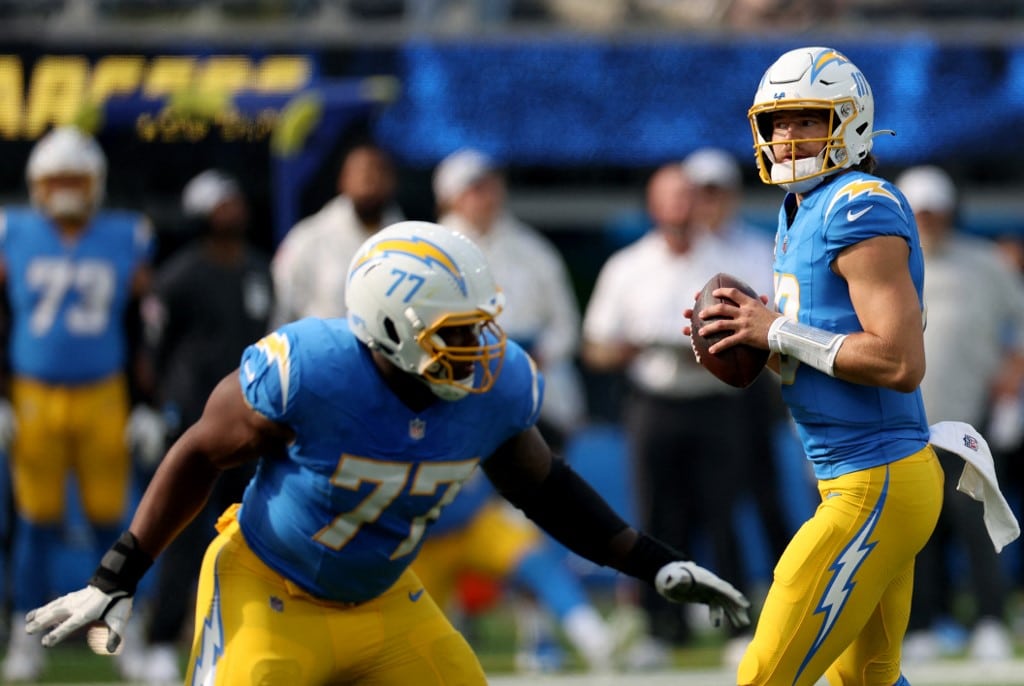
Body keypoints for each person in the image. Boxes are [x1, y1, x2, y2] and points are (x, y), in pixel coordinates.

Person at [22, 221, 749, 685]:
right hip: (271, 592)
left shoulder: (495, 386)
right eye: (458, 332)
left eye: (482, 327)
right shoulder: (309, 370)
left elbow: (545, 487)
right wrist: (119, 573)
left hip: (387, 601)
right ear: (393, 328)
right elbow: (195, 455)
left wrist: (653, 561)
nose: (483, 349)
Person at [683, 46, 974, 686]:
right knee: (868, 679)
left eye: (808, 120)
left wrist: (775, 328)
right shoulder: (800, 209)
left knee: (764, 676)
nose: (788, 137)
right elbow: (819, 351)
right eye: (778, 122)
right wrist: (747, 340)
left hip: (878, 478)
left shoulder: (858, 205)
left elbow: (900, 362)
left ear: (850, 122)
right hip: (857, 478)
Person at [0, 125, 161, 681]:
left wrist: (145, 400)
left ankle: (121, 630)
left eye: (76, 180)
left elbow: (139, 325)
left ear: (96, 183)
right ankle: (25, 631)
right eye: (57, 181)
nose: (67, 191)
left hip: (103, 393)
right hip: (33, 394)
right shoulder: (12, 232)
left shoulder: (125, 235)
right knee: (35, 517)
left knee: (109, 519)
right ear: (37, 185)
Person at [582, 161, 751, 666]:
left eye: (688, 194)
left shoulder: (730, 259)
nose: (681, 205)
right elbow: (595, 347)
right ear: (653, 205)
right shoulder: (628, 265)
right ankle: (661, 628)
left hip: (718, 400)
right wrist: (634, 348)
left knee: (724, 515)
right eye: (670, 196)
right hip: (654, 401)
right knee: (658, 516)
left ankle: (739, 626)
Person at [133, 169, 274, 683]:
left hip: (254, 423)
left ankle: (245, 634)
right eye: (220, 203)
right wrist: (152, 406)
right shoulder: (179, 276)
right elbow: (153, 352)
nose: (231, 210)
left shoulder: (258, 270)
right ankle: (160, 639)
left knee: (255, 530)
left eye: (235, 200)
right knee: (186, 536)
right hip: (195, 425)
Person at [894, 165, 1024, 662]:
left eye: (933, 212)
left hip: (970, 424)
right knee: (917, 529)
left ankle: (991, 620)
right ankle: (924, 623)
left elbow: (1018, 327)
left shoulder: (986, 263)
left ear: (949, 212)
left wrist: (1012, 379)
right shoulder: (888, 266)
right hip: (905, 421)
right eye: (918, 213)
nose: (927, 221)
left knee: (977, 524)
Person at [434, 147, 586, 447]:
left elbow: (565, 323)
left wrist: (539, 356)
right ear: (451, 197)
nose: (487, 196)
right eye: (475, 188)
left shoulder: (533, 249)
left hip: (532, 390)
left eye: (491, 185)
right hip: (456, 391)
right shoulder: (431, 251)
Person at [411, 470, 616, 673]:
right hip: (421, 540)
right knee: (414, 631)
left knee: (535, 563)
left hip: (475, 521)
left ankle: (592, 638)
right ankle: (545, 646)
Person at [270, 141, 403, 326]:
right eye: (360, 171)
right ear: (342, 180)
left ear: (392, 181)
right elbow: (283, 307)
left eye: (379, 170)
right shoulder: (308, 237)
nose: (370, 178)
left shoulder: (407, 240)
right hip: (325, 349)